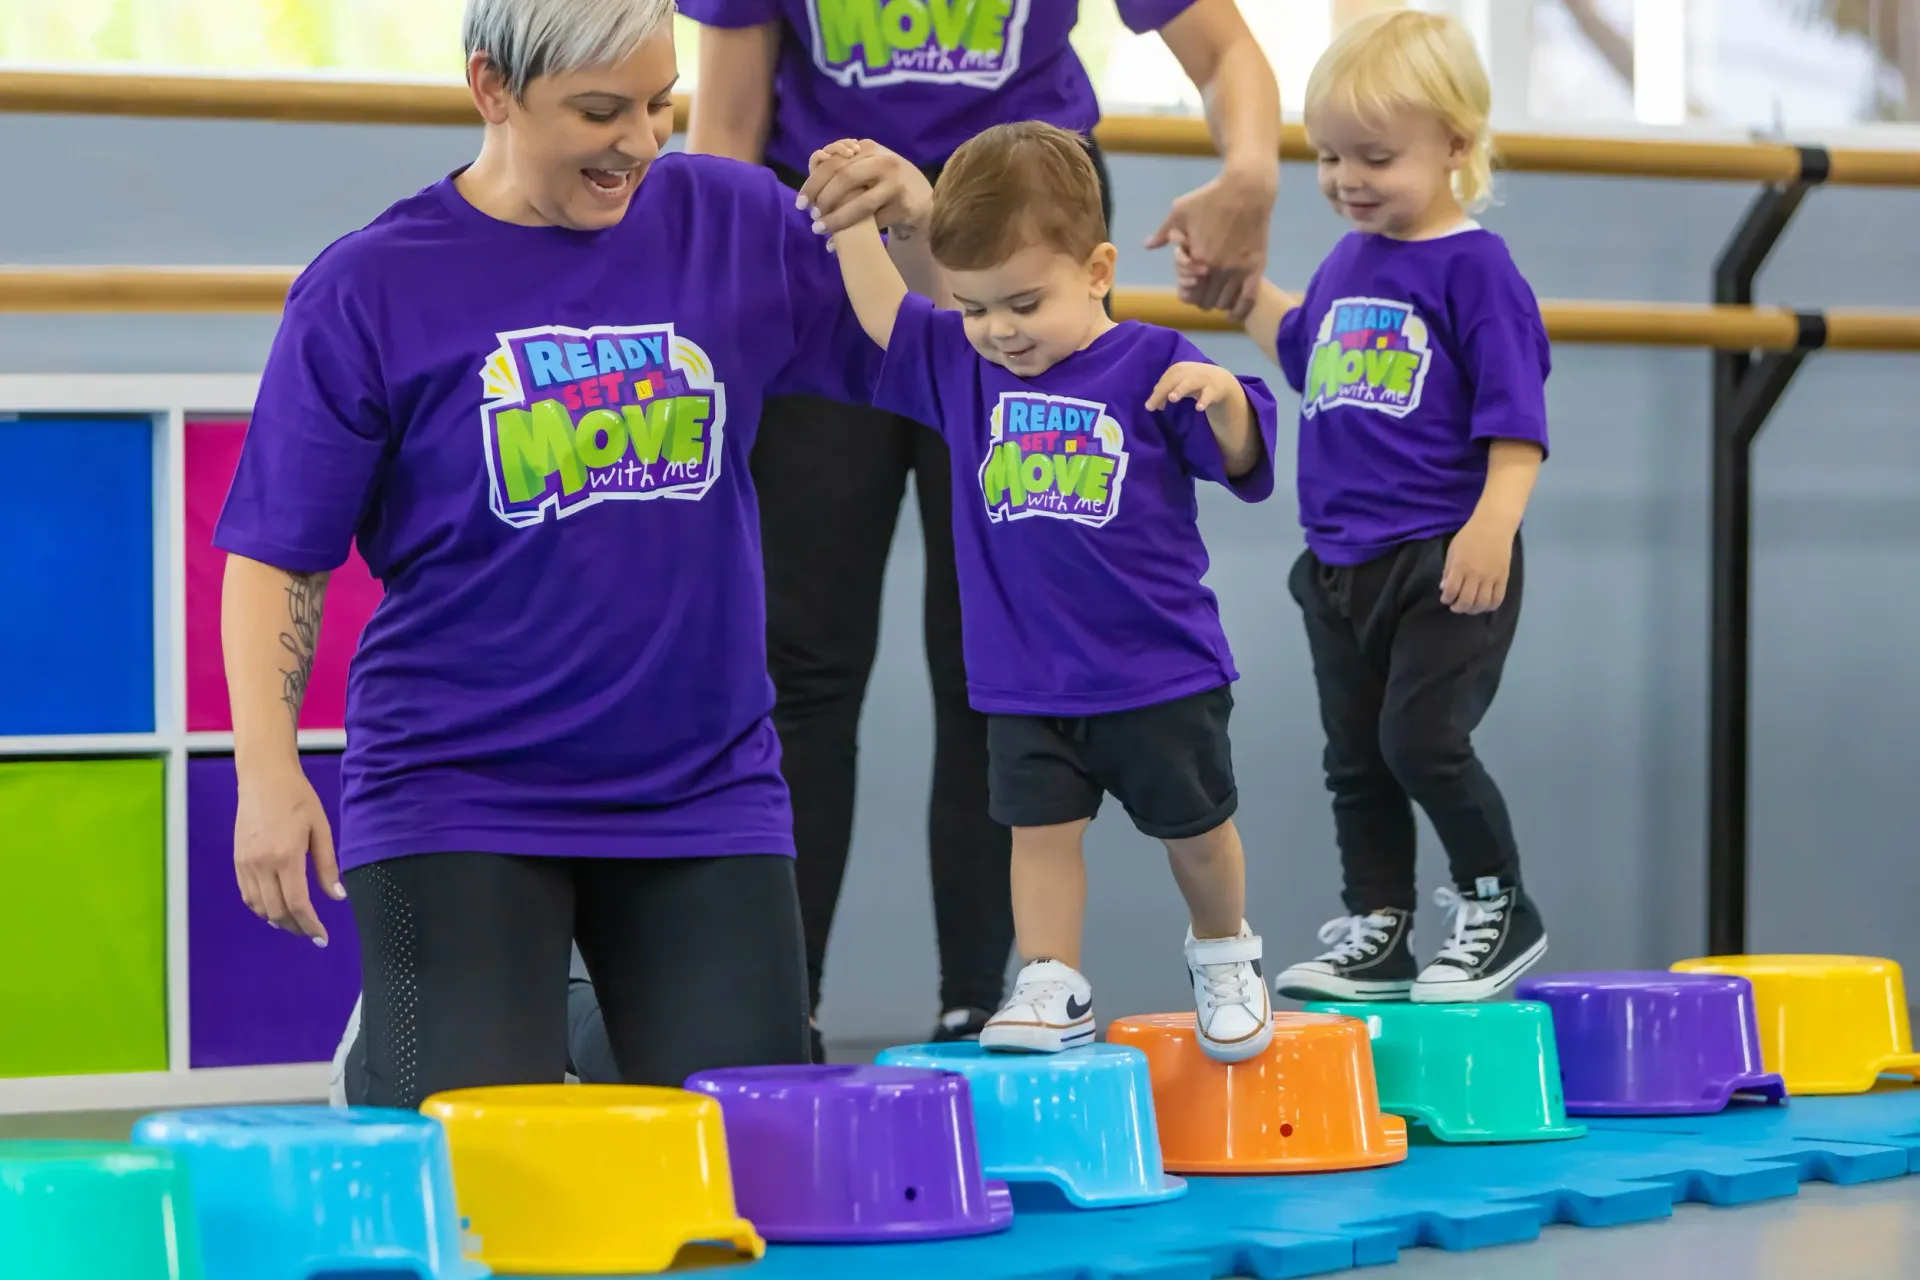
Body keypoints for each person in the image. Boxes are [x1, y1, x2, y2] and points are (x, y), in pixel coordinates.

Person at [220, 0, 944, 1110]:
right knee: (474, 1168)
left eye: (660, 105)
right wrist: (267, 775)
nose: (642, 144)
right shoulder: (372, 284)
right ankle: (470, 1017)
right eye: (601, 111)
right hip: (460, 784)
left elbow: (937, 365)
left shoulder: (734, 220)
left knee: (750, 1156)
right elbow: (279, 553)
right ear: (491, 89)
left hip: (700, 785)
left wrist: (918, 232)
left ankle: (573, 1010)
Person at [657, 0, 1281, 1058]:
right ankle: (784, 997)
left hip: (1022, 228)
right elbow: (724, 130)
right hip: (832, 235)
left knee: (987, 656)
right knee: (804, 658)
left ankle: (985, 991)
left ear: (1098, 272)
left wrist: (1253, 173)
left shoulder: (1107, 337)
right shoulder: (931, 327)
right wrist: (737, 301)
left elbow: (1223, 48)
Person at [815, 122, 1281, 1061]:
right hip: (1027, 677)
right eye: (978, 307)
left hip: (1159, 671)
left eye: (1024, 302)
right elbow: (885, 316)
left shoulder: (1152, 363)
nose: (1001, 330)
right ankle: (1051, 978)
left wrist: (1226, 400)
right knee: (1038, 836)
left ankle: (1227, 950)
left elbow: (1243, 456)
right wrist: (851, 217)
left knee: (1197, 831)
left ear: (1098, 268)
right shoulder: (962, 368)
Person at [1198, 10, 1550, 1004]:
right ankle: (1380, 923)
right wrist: (1240, 294)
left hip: (1445, 555)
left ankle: (1498, 899)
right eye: (1329, 156)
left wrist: (1492, 524)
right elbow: (1309, 351)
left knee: (1420, 740)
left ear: (1456, 146)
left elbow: (1516, 418)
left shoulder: (1477, 270)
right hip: (1341, 562)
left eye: (1376, 157)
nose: (1349, 178)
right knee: (1355, 756)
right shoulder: (1354, 259)